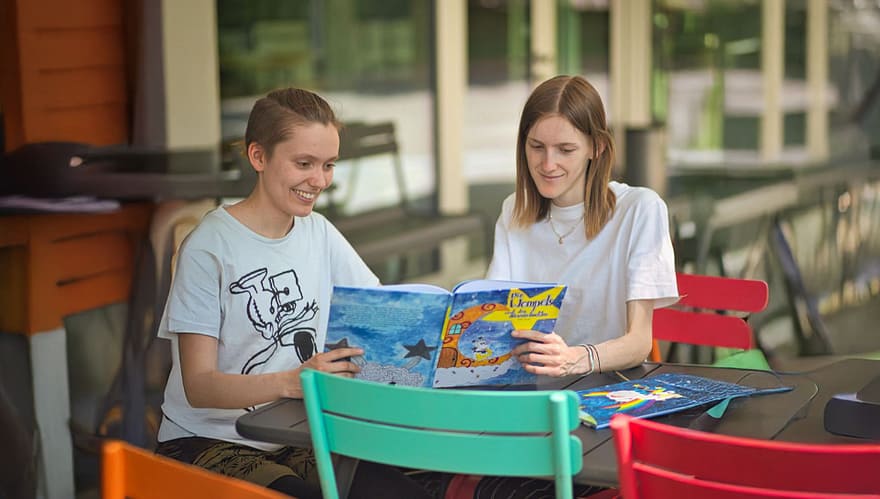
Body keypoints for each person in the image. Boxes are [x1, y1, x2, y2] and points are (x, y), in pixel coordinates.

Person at [154, 88, 431, 499]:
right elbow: (199, 385)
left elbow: (377, 312)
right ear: (258, 157)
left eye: (329, 165)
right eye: (304, 163)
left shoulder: (318, 231)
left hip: (296, 434)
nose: (319, 181)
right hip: (208, 443)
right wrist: (293, 381)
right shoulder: (209, 246)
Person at [464, 75, 679, 497]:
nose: (547, 165)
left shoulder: (639, 210)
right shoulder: (514, 212)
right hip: (534, 403)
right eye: (536, 147)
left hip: (607, 400)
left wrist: (574, 359)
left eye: (565, 150)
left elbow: (639, 342)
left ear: (596, 148)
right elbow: (491, 324)